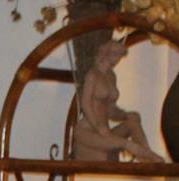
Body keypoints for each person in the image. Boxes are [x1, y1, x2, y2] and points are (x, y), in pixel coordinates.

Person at [69, 35, 162, 163]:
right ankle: (147, 156)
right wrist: (98, 127)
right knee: (126, 144)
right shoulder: (92, 75)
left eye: (120, 55)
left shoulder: (111, 76)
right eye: (116, 54)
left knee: (132, 124)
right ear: (106, 53)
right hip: (88, 130)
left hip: (104, 130)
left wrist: (125, 115)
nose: (118, 58)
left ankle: (147, 154)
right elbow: (85, 104)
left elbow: (110, 109)